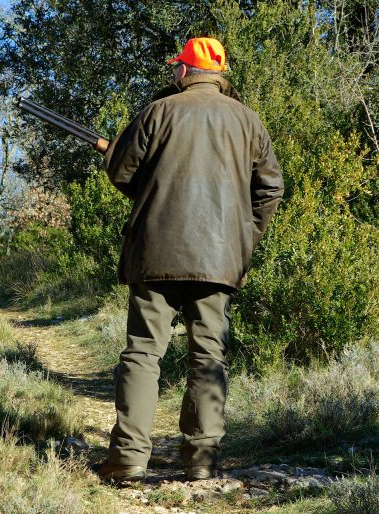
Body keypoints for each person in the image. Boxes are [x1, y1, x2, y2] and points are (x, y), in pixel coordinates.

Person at [94, 37, 284, 483]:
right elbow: (271, 190)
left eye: (176, 67)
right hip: (220, 259)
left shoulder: (158, 112)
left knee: (143, 353)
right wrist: (243, 238)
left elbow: (121, 171)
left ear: (183, 70)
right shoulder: (248, 120)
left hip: (155, 254)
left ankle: (128, 460)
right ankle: (202, 460)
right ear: (219, 73)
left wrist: (151, 191)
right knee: (208, 356)